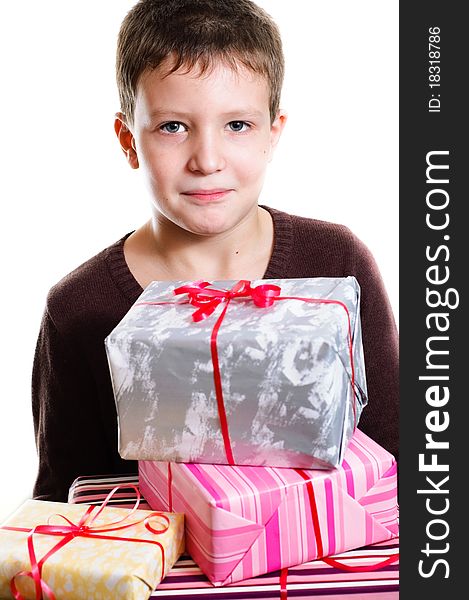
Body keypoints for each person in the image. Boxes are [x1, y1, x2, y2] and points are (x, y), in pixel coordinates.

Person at [32, 0, 399, 502]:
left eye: (237, 126)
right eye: (173, 127)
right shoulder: (79, 308)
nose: (207, 160)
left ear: (274, 133)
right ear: (128, 139)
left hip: (331, 573)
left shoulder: (338, 264)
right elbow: (66, 506)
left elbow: (399, 459)